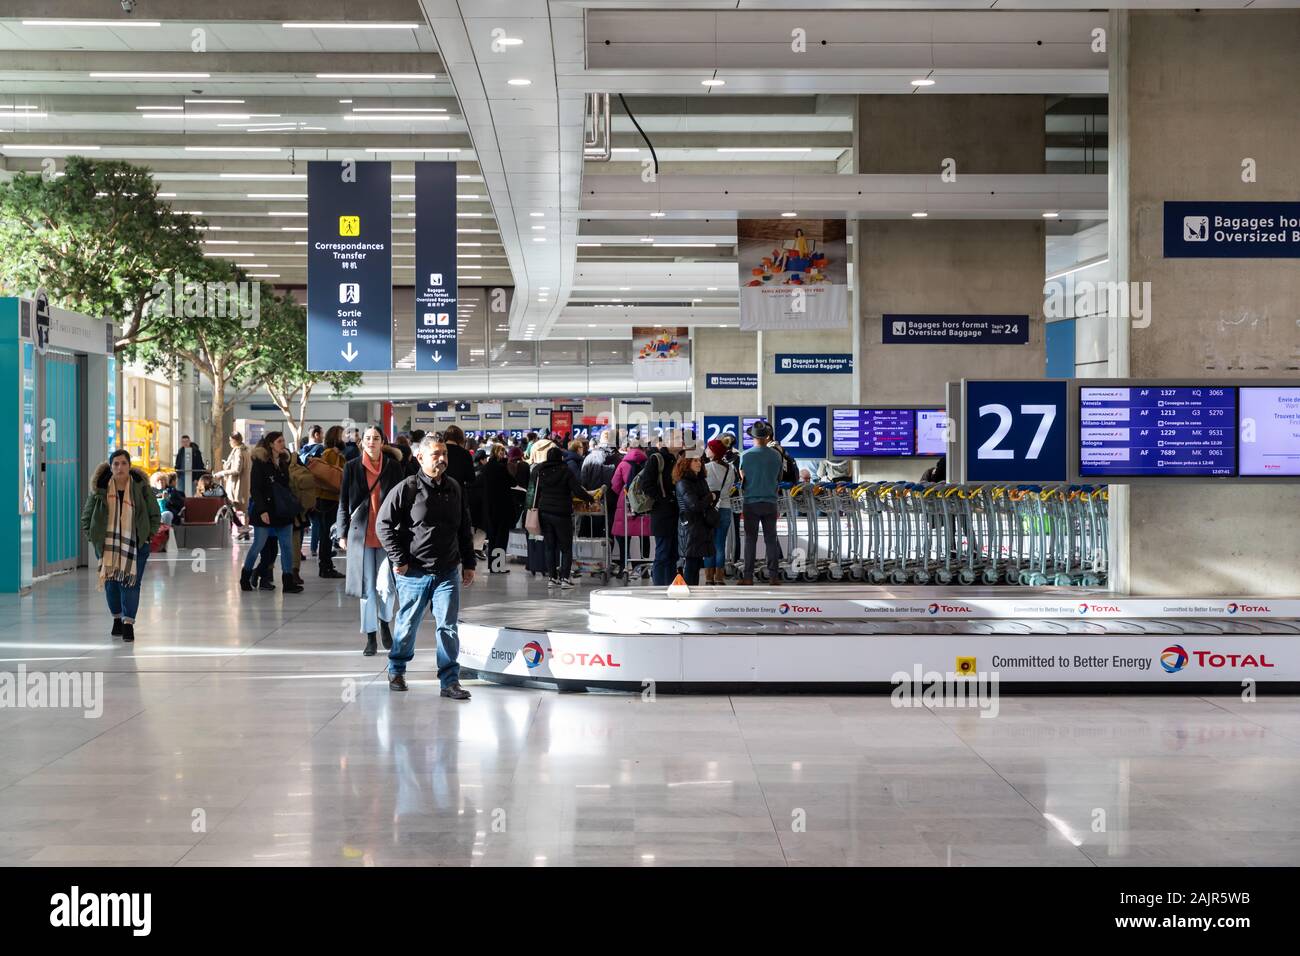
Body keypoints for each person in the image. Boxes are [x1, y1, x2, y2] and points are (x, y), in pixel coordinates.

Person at [375, 437, 477, 697]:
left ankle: (449, 681)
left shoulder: (455, 487)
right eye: (435, 454)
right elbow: (383, 525)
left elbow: (464, 528)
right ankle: (397, 669)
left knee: (448, 627)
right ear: (420, 458)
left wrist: (469, 562)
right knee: (408, 624)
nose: (441, 458)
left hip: (447, 571)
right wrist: (399, 559)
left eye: (444, 453)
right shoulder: (407, 488)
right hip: (414, 573)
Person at [337, 425, 405, 656]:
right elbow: (343, 502)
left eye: (376, 438)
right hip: (361, 534)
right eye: (368, 438)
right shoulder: (351, 467)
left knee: (387, 586)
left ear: (382, 442)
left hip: (387, 534)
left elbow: (402, 500)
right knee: (366, 587)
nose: (372, 442)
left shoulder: (393, 467)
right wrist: (342, 533)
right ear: (361, 442)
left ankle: (384, 621)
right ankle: (370, 635)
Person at [81, 449, 162, 643]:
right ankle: (117, 617)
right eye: (115, 464)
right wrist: (94, 537)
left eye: (123, 463)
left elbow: (154, 514)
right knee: (111, 584)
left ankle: (128, 623)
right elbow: (87, 517)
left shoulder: (140, 488)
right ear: (110, 467)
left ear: (129, 466)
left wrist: (148, 536)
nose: (120, 467)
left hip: (137, 545)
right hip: (107, 547)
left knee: (131, 583)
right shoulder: (100, 489)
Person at [240, 431, 303, 595]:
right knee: (258, 545)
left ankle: (288, 581)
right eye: (279, 441)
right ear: (271, 444)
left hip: (283, 512)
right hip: (266, 511)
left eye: (283, 441)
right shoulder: (260, 463)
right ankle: (245, 576)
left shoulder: (283, 462)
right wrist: (262, 510)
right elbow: (255, 489)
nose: (283, 444)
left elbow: (285, 487)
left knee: (287, 547)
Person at [533, 445, 595, 588]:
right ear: (561, 457)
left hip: (544, 512)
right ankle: (565, 579)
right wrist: (590, 498)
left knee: (549, 546)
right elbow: (577, 490)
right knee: (566, 547)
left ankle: (552, 579)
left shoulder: (540, 471)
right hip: (561, 513)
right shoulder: (565, 471)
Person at [738, 421, 784, 585]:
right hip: (770, 501)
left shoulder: (746, 455)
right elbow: (779, 478)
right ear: (767, 436)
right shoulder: (776, 455)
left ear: (752, 437)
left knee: (750, 540)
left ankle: (748, 577)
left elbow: (742, 477)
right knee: (771, 539)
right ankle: (773, 576)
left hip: (751, 502)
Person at [640, 431, 683, 585]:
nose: (681, 440)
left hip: (677, 513)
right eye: (677, 438)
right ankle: (658, 588)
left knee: (673, 555)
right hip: (662, 513)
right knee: (663, 553)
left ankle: (670, 586)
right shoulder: (656, 459)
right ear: (666, 441)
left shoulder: (679, 459)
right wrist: (664, 499)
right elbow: (647, 485)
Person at [307, 425, 346, 579]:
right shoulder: (331, 453)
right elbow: (330, 475)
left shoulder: (331, 452)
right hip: (328, 499)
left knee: (325, 534)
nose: (345, 438)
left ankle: (326, 566)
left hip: (326, 499)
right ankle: (325, 567)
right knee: (326, 534)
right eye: (343, 435)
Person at [673, 454, 717, 586]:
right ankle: (689, 594)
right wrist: (711, 497)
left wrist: (710, 498)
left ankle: (693, 593)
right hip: (690, 526)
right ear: (687, 463)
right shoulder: (683, 483)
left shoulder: (700, 480)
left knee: (697, 563)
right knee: (691, 563)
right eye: (695, 460)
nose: (699, 463)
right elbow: (694, 505)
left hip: (699, 526)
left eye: (700, 461)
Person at [610, 442, 651, 575]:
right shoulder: (648, 464)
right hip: (643, 503)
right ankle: (643, 567)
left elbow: (615, 485)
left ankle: (624, 566)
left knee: (623, 535)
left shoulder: (623, 464)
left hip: (626, 502)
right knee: (644, 535)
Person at [703, 439, 737, 584]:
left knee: (709, 543)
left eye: (708, 448)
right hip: (726, 507)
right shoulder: (730, 468)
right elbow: (730, 488)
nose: (706, 450)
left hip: (710, 508)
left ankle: (708, 577)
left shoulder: (706, 467)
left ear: (714, 451)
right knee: (720, 544)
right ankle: (719, 577)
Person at [481, 443, 517, 574]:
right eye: (501, 452)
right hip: (502, 507)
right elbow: (513, 482)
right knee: (501, 538)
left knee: (492, 537)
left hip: (489, 507)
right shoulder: (501, 467)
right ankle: (498, 566)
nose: (503, 454)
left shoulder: (486, 468)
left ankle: (492, 565)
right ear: (497, 453)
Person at [213, 432, 252, 540]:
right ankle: (243, 529)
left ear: (235, 440)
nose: (229, 442)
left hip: (237, 485)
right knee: (242, 509)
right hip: (242, 484)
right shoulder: (245, 450)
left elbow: (236, 470)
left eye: (230, 440)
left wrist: (222, 473)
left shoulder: (239, 452)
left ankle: (239, 530)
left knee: (232, 507)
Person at [287, 453, 318, 587]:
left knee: (274, 545)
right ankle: (294, 572)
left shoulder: (281, 467)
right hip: (300, 512)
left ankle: (268, 572)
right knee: (295, 543)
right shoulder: (300, 466)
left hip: (285, 510)